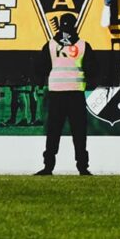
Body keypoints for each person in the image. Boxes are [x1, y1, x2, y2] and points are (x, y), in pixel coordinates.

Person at [34, 13, 94, 177]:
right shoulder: (83, 45)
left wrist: (40, 84)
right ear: (75, 26)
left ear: (60, 26)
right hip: (76, 93)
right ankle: (82, 168)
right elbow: (92, 69)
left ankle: (48, 167)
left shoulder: (51, 45)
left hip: (57, 93)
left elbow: (41, 68)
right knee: (79, 133)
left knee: (53, 132)